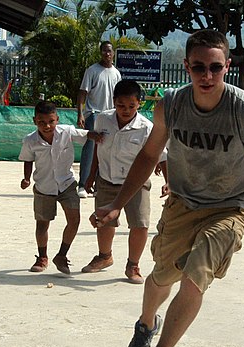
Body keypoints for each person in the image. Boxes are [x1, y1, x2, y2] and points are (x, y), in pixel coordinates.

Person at [92, 30, 244, 347]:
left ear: (227, 67)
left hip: (231, 207)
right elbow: (147, 156)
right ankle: (146, 323)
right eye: (199, 67)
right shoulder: (170, 105)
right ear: (187, 66)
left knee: (195, 274)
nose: (207, 76)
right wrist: (116, 204)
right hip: (183, 203)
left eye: (216, 68)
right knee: (162, 275)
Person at [81, 79, 168, 284]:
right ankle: (104, 256)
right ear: (113, 102)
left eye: (131, 106)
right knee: (103, 222)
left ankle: (133, 264)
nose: (125, 110)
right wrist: (90, 175)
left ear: (139, 103)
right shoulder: (102, 120)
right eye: (120, 105)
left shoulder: (147, 128)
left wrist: (168, 181)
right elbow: (97, 148)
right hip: (106, 179)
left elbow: (162, 155)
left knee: (140, 224)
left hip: (136, 184)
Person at [19, 100, 104, 274]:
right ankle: (42, 257)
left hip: (66, 184)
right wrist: (26, 178)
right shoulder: (30, 140)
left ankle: (62, 255)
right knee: (42, 225)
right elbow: (28, 159)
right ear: (35, 121)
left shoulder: (66, 131)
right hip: (44, 187)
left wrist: (98, 135)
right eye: (41, 122)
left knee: (74, 220)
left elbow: (86, 134)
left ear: (57, 119)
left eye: (51, 121)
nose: (47, 126)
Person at [77, 41, 121, 199]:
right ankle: (82, 184)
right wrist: (80, 113)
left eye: (109, 51)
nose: (107, 54)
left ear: (113, 53)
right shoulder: (92, 70)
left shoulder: (116, 73)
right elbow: (82, 93)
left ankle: (97, 185)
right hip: (94, 113)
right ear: (100, 52)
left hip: (110, 114)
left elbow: (118, 96)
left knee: (105, 150)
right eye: (104, 51)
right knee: (90, 147)